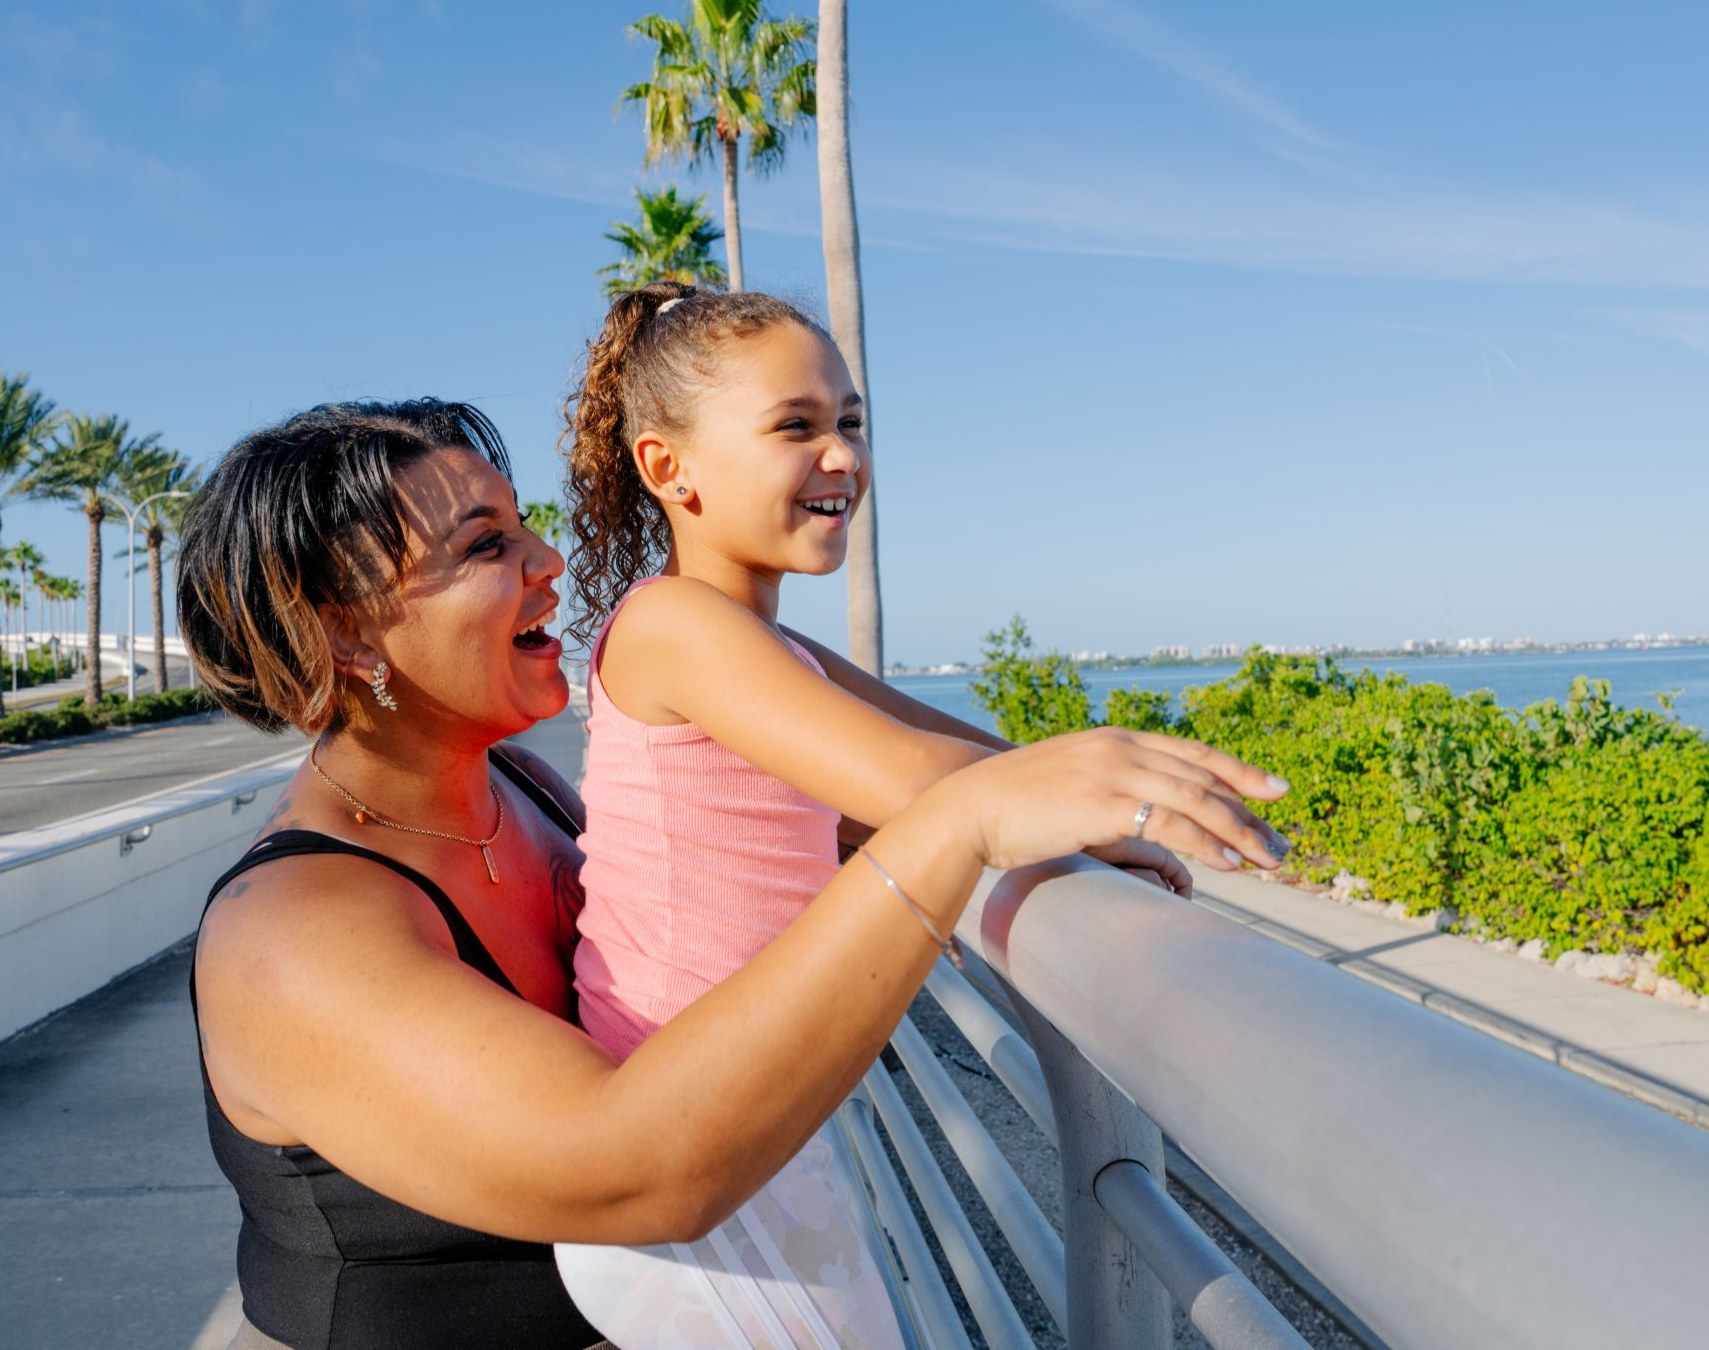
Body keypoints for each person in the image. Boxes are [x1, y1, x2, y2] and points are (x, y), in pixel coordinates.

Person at [176, 398, 1291, 1349]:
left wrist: (1049, 817)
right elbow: (637, 1170)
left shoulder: (521, 789)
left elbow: (787, 810)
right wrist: (956, 829)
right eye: (483, 548)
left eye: (526, 529)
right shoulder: (294, 932)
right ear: (346, 637)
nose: (550, 563)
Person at [544, 285, 1279, 1344]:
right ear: (670, 468)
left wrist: (1092, 812)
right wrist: (1107, 802)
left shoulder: (769, 647)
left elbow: (971, 755)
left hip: (756, 1126)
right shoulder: (672, 625)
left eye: (849, 422)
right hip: (695, 1146)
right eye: (795, 426)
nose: (841, 455)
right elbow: (912, 778)